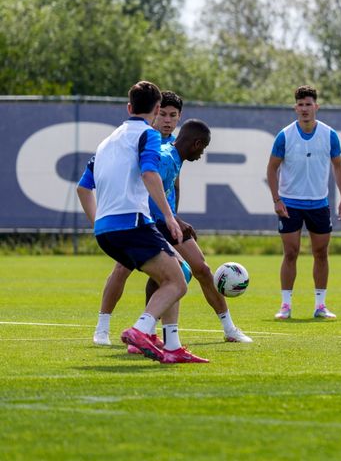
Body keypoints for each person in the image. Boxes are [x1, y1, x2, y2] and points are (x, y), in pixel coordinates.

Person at [88, 96, 252, 346]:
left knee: (202, 270)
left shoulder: (175, 147)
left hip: (168, 221)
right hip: (144, 219)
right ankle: (106, 328)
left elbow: (172, 185)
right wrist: (172, 216)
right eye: (162, 114)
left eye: (172, 115)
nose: (166, 120)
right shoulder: (147, 142)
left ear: (179, 119)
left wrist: (175, 217)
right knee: (125, 270)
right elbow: (147, 182)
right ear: (154, 113)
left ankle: (229, 328)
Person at [74, 81, 201, 364]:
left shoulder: (107, 142)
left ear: (129, 107)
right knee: (178, 281)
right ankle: (141, 330)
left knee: (171, 274)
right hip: (133, 223)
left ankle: (172, 346)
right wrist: (170, 217)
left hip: (106, 231)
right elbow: (149, 174)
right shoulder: (149, 135)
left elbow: (83, 188)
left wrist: (98, 223)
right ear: (157, 110)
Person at [267, 85, 341, 320]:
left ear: (316, 106)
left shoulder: (329, 134)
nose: (304, 109)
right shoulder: (285, 135)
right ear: (295, 107)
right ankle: (285, 305)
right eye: (300, 105)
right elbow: (272, 168)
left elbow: (338, 166)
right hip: (290, 204)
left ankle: (320, 305)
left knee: (321, 253)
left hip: (319, 204)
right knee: (290, 253)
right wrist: (276, 199)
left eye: (308, 104)